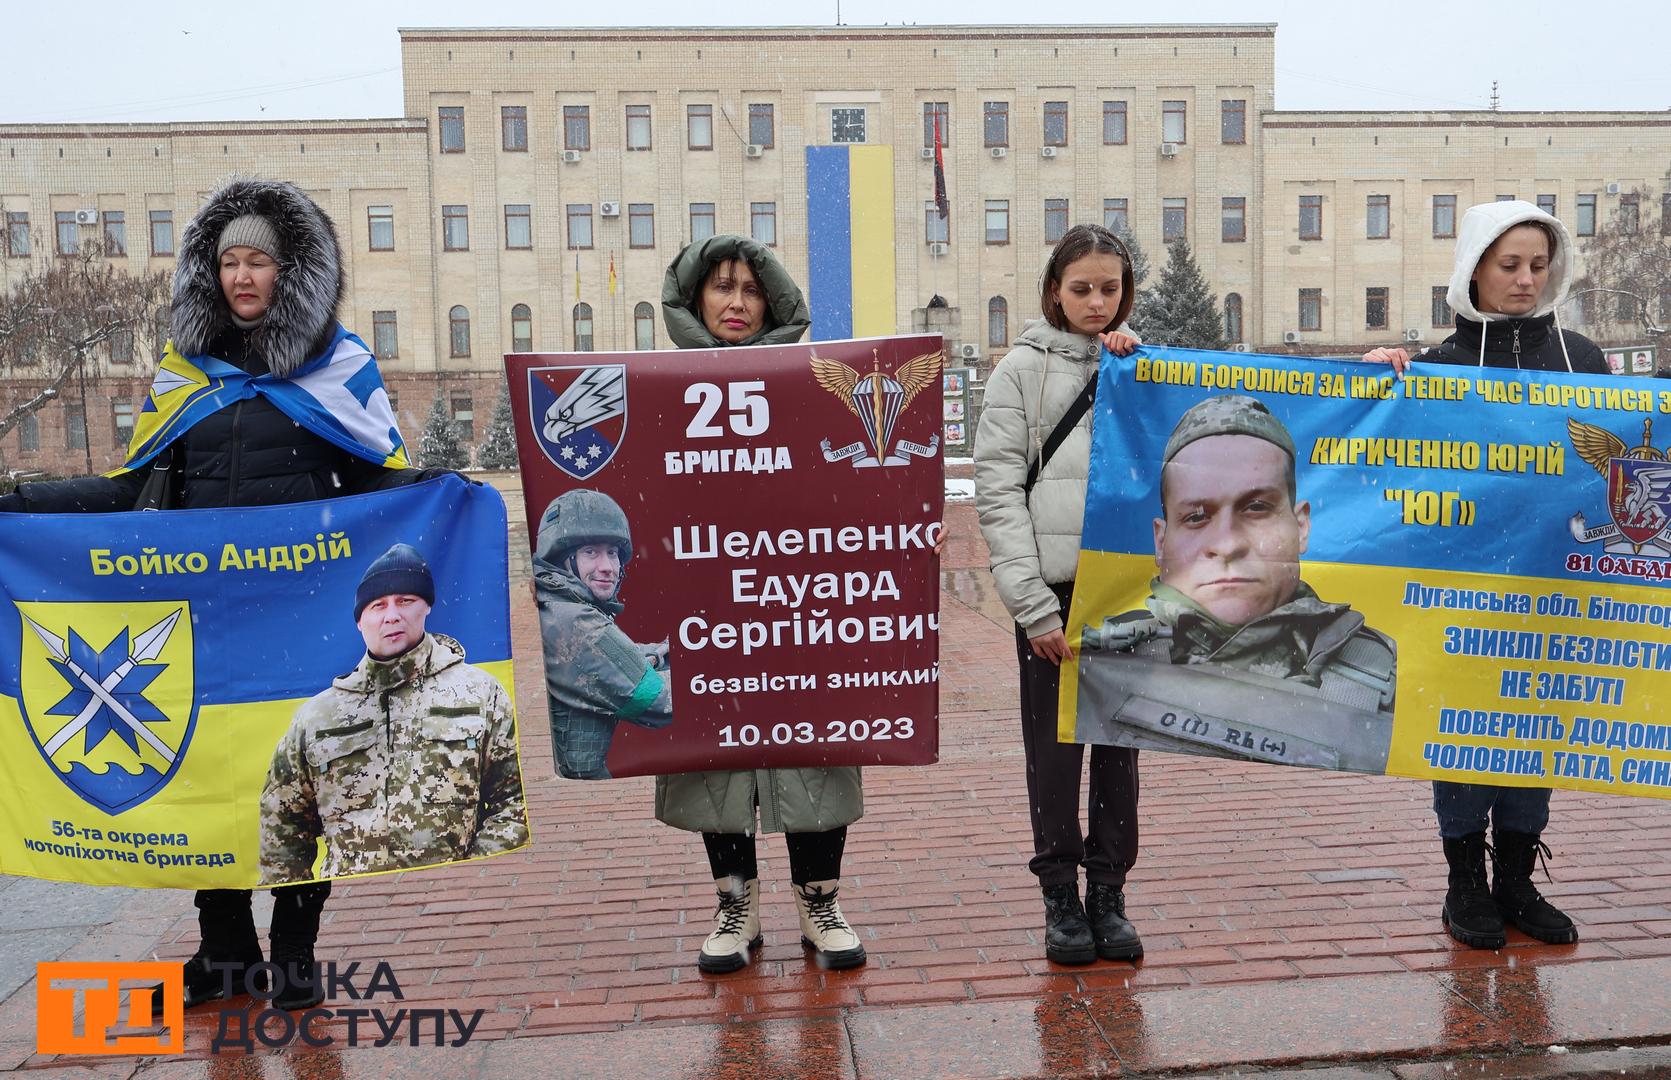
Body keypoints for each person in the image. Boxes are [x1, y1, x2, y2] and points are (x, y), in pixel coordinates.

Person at [0, 177, 437, 1009]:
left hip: (303, 618)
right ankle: (223, 951)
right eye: (229, 261)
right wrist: (22, 506)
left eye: (259, 262)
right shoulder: (181, 376)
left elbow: (383, 484)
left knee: (300, 782)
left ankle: (296, 951)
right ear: (210, 273)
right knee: (206, 778)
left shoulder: (337, 368)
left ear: (290, 273)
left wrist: (449, 495)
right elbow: (132, 491)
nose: (243, 276)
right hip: (200, 621)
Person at [1364, 199, 1602, 950]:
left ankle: (1516, 881)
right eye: (1509, 265)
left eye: (1538, 265)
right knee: (1463, 728)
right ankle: (1463, 881)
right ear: (1473, 269)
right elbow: (1364, 457)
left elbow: (1628, 462)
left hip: (1550, 588)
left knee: (1530, 728)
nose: (1526, 280)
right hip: (1458, 590)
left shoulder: (1583, 362)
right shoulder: (1431, 369)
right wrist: (1370, 385)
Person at [657, 234, 867, 974]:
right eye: (721, 287)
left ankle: (819, 900)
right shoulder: (656, 385)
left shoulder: (811, 381)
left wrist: (903, 534)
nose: (737, 302)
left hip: (796, 603)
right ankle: (734, 904)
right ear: (694, 299)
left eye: (750, 288)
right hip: (704, 605)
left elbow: (856, 484)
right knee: (716, 754)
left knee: (812, 744)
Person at [974, 223, 1144, 966]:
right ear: (1053, 290)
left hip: (1124, 591)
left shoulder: (1140, 364)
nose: (1096, 302)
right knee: (1053, 751)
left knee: (1118, 750)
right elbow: (997, 490)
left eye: (1109, 289)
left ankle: (1108, 892)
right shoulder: (1020, 370)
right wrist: (1031, 605)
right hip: (1054, 592)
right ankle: (1060, 896)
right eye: (1081, 289)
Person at [1075, 394, 1397, 773]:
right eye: (1196, 516)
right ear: (1161, 542)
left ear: (1302, 526)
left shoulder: (1387, 673)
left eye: (1257, 507)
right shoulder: (1105, 658)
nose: (1227, 543)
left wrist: (1386, 383)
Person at [259, 543, 527, 884]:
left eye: (406, 601)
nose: (392, 616)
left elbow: (514, 802)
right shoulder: (319, 716)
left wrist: (469, 877)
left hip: (453, 900)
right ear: (360, 621)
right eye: (377, 605)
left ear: (426, 606)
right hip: (354, 909)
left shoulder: (478, 694)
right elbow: (282, 820)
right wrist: (298, 913)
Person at [533, 488, 673, 780]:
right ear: (563, 559)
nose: (607, 567)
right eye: (590, 553)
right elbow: (656, 700)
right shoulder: (577, 621)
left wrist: (665, 653)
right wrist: (720, 678)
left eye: (612, 553)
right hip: (582, 789)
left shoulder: (558, 606)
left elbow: (617, 660)